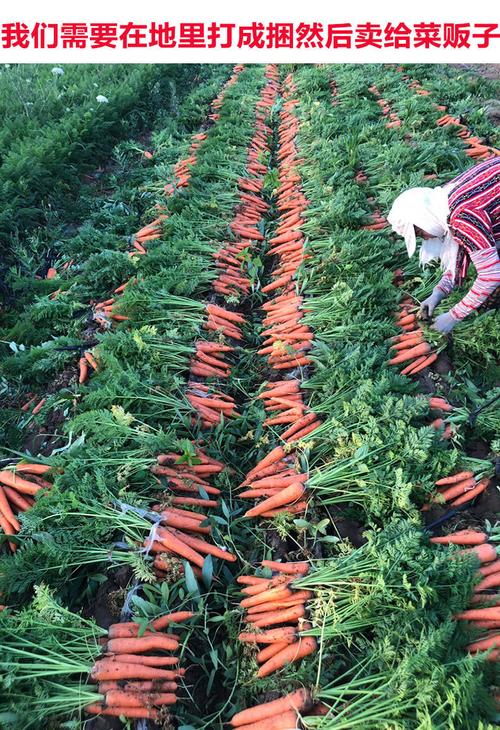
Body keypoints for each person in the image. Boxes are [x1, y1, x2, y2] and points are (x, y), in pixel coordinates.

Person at [387, 156, 500, 333]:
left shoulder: (462, 216)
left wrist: (453, 316)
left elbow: (491, 275)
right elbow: (461, 249)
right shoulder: (444, 201)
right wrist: (438, 293)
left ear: (422, 219)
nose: (424, 238)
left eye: (419, 232)